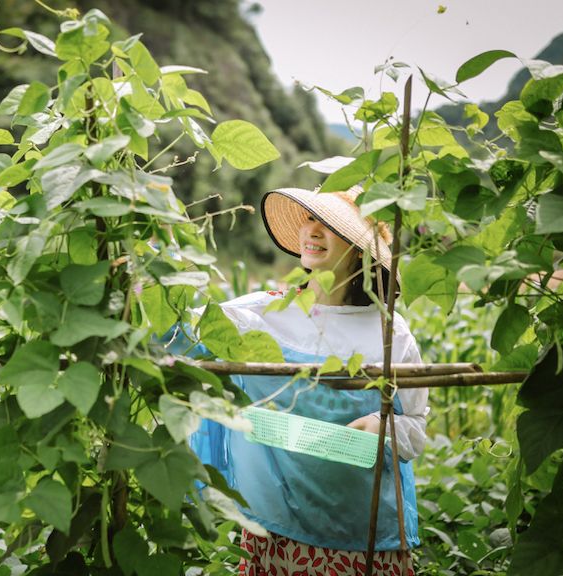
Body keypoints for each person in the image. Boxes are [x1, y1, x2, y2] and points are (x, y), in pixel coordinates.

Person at [173, 186, 428, 576]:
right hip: (278, 529)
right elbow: (176, 338)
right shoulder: (260, 315)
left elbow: (415, 426)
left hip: (363, 530)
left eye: (330, 225)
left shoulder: (388, 333)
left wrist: (382, 425)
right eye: (310, 219)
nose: (313, 230)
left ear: (361, 249)